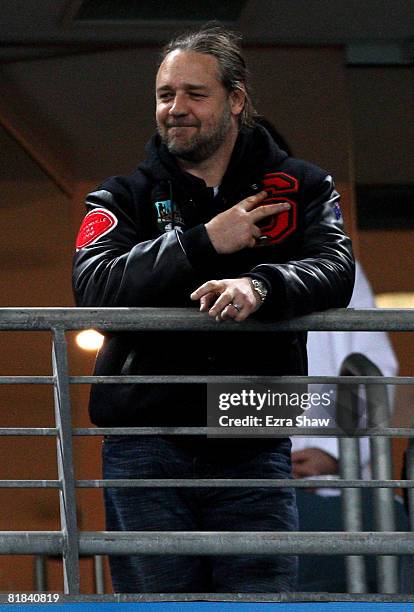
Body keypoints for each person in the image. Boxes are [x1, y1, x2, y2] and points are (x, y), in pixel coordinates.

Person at [72, 25, 355, 593]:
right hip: (146, 434)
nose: (175, 109)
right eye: (165, 94)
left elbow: (336, 269)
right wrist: (203, 241)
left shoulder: (302, 188)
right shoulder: (121, 196)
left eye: (194, 94)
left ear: (236, 100)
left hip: (252, 423)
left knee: (260, 601)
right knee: (156, 605)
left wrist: (264, 286)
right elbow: (92, 287)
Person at [291, 260, 399, 484]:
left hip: (334, 486)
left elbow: (371, 370)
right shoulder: (213, 257)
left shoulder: (336, 262)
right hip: (234, 479)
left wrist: (334, 453)